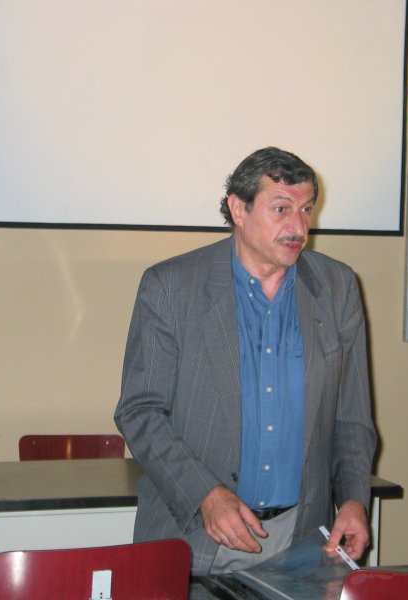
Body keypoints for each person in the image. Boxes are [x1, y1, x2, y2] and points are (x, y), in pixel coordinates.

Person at [114, 146, 378, 576]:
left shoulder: (338, 288)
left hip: (301, 538)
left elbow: (352, 417)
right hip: (196, 532)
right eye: (281, 209)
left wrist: (352, 499)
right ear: (239, 209)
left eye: (306, 209)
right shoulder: (172, 287)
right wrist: (205, 494)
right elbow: (140, 411)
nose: (298, 227)